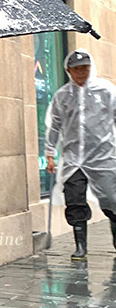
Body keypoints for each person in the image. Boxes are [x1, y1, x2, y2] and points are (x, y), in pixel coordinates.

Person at [45, 49, 116, 261]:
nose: (81, 73)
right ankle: (80, 247)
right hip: (74, 159)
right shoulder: (62, 96)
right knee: (74, 200)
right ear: (68, 71)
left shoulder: (106, 90)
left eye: (84, 68)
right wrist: (50, 153)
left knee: (111, 199)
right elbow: (55, 126)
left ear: (90, 68)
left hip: (103, 157)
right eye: (76, 69)